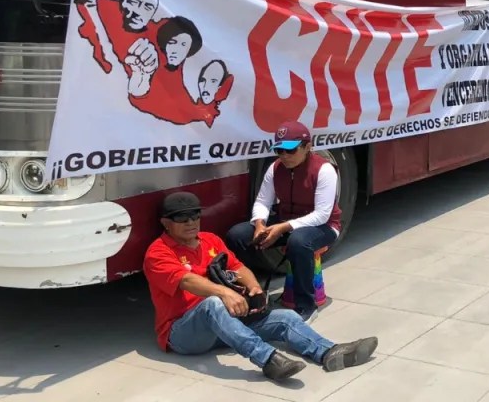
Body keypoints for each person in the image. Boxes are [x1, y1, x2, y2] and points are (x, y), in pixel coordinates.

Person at [143, 192, 377, 382]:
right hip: (183, 333)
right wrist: (225, 292)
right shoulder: (158, 252)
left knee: (286, 317)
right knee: (213, 304)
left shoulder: (210, 239)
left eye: (194, 216)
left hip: (226, 324)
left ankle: (329, 353)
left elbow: (237, 267)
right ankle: (268, 360)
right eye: (182, 219)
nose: (191, 223)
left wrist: (253, 287)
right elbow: (186, 280)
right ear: (165, 223)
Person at [227, 121, 341, 319]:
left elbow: (322, 214)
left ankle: (306, 305)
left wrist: (282, 227)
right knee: (236, 235)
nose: (284, 156)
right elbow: (263, 201)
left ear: (307, 147)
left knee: (298, 241)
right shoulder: (275, 168)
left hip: (323, 226)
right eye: (279, 150)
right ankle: (251, 294)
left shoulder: (324, 170)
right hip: (286, 222)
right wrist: (260, 223)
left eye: (290, 150)